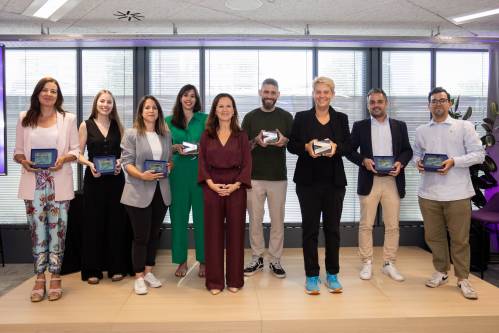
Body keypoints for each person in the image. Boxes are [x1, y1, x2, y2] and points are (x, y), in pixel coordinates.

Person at [414, 87, 485, 300]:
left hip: (457, 194)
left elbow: (479, 154)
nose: (438, 104)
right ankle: (441, 272)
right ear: (429, 105)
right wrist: (417, 161)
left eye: (442, 100)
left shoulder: (464, 126)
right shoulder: (421, 130)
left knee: (460, 239)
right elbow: (417, 153)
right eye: (434, 101)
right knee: (434, 237)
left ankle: (463, 278)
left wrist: (454, 161)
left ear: (449, 104)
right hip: (428, 193)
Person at [14, 77, 79, 302]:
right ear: (38, 93)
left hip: (58, 183)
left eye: (53, 90)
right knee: (37, 232)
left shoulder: (67, 118)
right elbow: (18, 151)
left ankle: (56, 276)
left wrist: (63, 159)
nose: (49, 94)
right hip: (33, 185)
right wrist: (24, 161)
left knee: (58, 231)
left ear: (58, 95)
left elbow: (76, 151)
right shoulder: (25, 118)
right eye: (45, 90)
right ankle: (39, 277)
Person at [287, 76, 352, 295]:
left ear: (332, 94)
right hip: (307, 183)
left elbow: (348, 145)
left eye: (326, 92)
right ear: (313, 94)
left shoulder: (341, 118)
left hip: (334, 182)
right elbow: (292, 145)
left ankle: (332, 274)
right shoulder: (302, 117)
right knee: (310, 230)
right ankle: (312, 275)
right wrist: (306, 146)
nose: (322, 96)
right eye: (318, 92)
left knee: (333, 230)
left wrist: (336, 147)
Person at [347, 88, 413, 281]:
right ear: (368, 105)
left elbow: (407, 151)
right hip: (370, 180)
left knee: (392, 225)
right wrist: (364, 161)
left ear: (386, 103)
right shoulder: (360, 126)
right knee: (366, 224)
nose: (375, 105)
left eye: (379, 102)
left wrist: (401, 162)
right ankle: (367, 262)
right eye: (372, 102)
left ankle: (388, 263)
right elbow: (349, 151)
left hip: (393, 180)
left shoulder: (400, 126)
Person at [198, 93, 251, 295]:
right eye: (221, 106)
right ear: (215, 110)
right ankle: (214, 281)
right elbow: (202, 162)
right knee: (213, 234)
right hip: (212, 188)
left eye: (229, 106)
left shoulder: (242, 135)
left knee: (236, 234)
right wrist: (211, 184)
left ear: (234, 110)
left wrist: (236, 185)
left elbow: (247, 163)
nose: (225, 109)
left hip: (236, 188)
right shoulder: (206, 135)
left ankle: (235, 279)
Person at [78, 90, 132, 284]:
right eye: (102, 101)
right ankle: (92, 270)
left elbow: (126, 153)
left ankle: (117, 267)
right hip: (94, 179)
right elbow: (78, 152)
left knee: (116, 223)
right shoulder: (86, 125)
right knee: (93, 224)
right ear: (96, 103)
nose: (105, 105)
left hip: (116, 180)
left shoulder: (119, 125)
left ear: (113, 105)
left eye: (109, 102)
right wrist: (89, 164)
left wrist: (119, 162)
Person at [120, 95, 172, 295]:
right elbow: (127, 162)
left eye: (154, 108)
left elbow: (169, 160)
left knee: (153, 235)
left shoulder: (165, 135)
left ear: (159, 112)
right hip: (138, 191)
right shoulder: (132, 134)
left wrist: (169, 166)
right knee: (141, 236)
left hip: (161, 191)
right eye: (147, 107)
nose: (151, 111)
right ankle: (139, 277)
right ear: (141, 112)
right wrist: (142, 175)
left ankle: (149, 272)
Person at [242, 78, 293, 278]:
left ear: (278, 94)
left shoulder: (287, 117)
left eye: (273, 92)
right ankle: (256, 258)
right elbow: (242, 147)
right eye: (266, 92)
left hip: (278, 177)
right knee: (255, 220)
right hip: (254, 177)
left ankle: (275, 260)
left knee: (277, 221)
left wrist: (284, 141)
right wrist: (255, 141)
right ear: (260, 93)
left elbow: (296, 144)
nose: (269, 96)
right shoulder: (250, 118)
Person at [165, 84, 207, 278]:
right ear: (180, 98)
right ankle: (181, 260)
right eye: (185, 95)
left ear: (196, 99)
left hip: (200, 175)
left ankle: (204, 261)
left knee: (202, 220)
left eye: (192, 96)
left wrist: (202, 148)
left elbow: (213, 144)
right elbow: (161, 148)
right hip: (178, 175)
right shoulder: (168, 121)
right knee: (179, 220)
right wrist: (174, 148)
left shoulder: (205, 119)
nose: (189, 99)